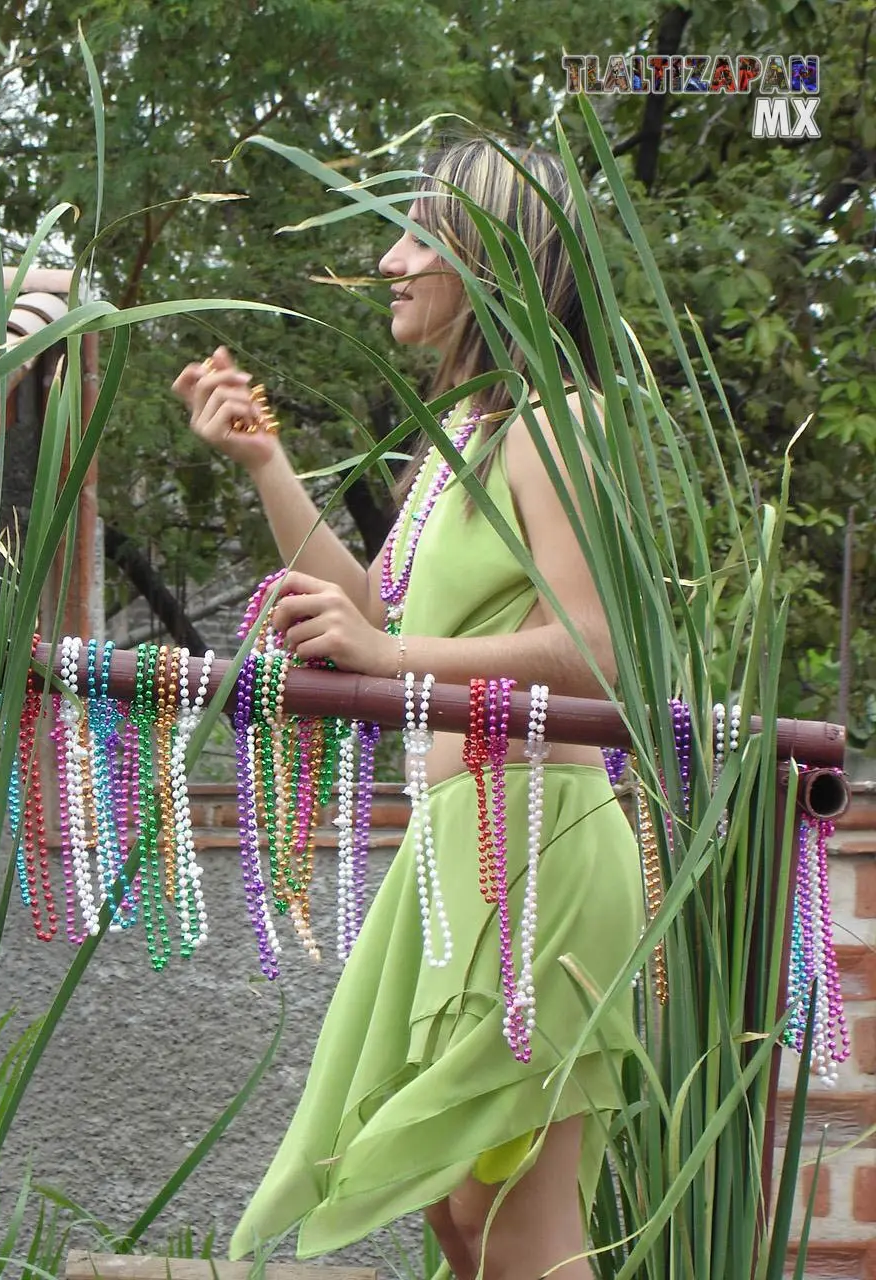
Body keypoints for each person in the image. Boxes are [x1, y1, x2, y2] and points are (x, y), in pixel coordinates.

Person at [172, 137, 644, 1280]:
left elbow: (599, 655)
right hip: (462, 856)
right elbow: (366, 614)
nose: (387, 259)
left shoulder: (555, 419)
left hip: (538, 838)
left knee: (514, 1224)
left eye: (417, 234)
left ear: (490, 258)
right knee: (457, 1215)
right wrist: (267, 465)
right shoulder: (459, 450)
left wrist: (390, 647)